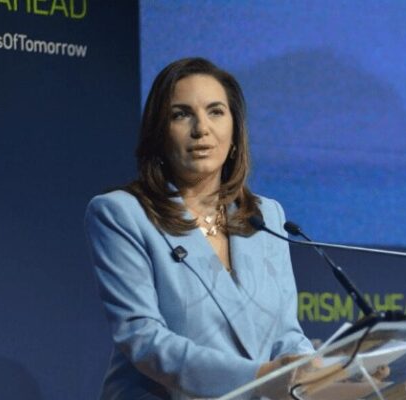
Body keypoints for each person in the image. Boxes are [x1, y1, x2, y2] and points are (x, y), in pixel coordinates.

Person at [84, 57, 313, 399]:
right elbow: (143, 339)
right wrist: (259, 377)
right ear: (159, 134)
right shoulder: (122, 213)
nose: (201, 128)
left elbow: (286, 335)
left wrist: (326, 373)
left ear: (235, 131)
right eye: (181, 115)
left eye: (215, 111)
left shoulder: (265, 215)